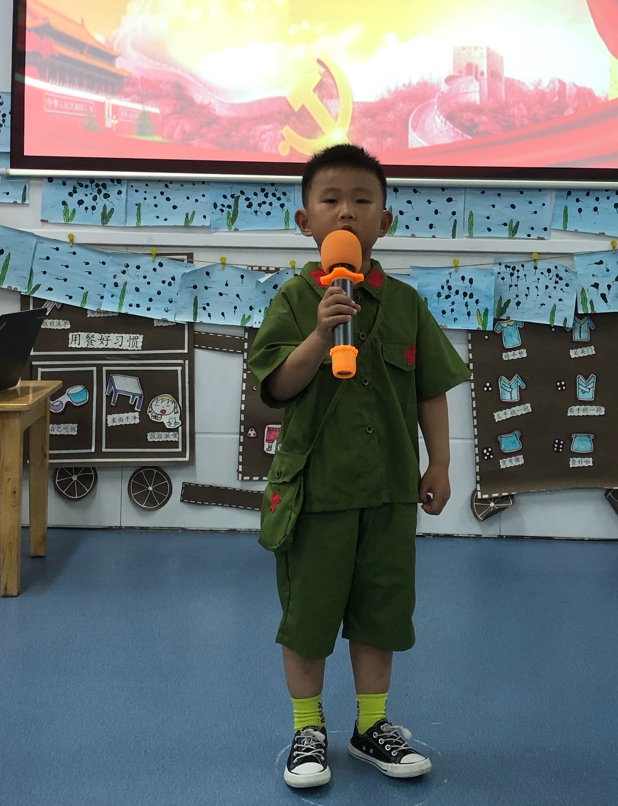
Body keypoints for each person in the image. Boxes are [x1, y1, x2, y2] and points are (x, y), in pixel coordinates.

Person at [248, 143, 469, 789]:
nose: (347, 212)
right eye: (331, 200)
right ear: (305, 221)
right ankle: (306, 729)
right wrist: (322, 334)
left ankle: (371, 725)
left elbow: (431, 389)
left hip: (390, 491)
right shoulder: (294, 299)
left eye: (362, 200)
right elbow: (277, 387)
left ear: (385, 221)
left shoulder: (406, 303)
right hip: (317, 493)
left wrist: (440, 463)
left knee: (382, 611)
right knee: (310, 617)